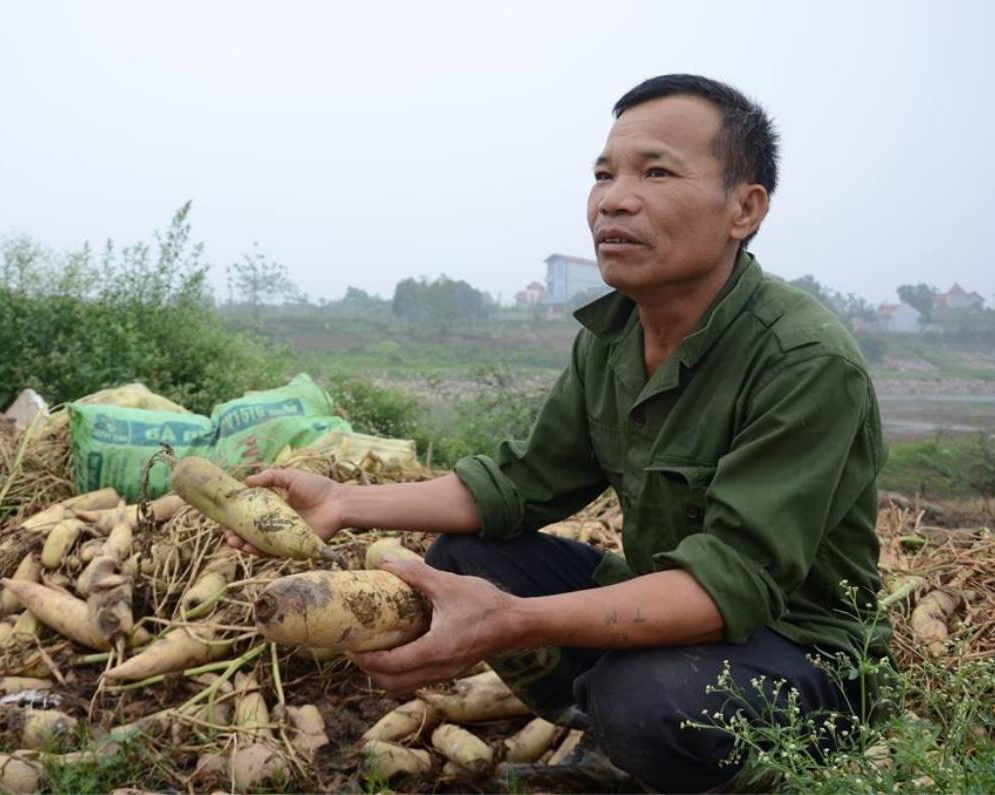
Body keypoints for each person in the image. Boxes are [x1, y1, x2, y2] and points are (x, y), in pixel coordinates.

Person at [226, 74, 889, 792]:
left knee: (641, 696)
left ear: (744, 207)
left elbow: (724, 588)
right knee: (467, 557)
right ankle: (617, 745)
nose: (614, 198)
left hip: (803, 656)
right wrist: (346, 502)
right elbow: (521, 483)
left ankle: (690, 761)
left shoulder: (804, 360)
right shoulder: (612, 338)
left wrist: (510, 620)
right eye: (604, 174)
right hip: (669, 608)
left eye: (656, 172)